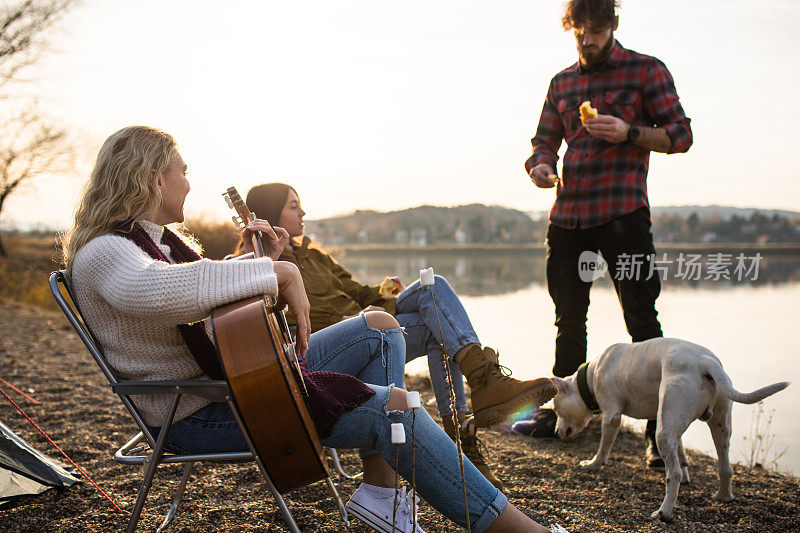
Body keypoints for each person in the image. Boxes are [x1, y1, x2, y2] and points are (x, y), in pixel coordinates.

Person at [60, 126, 564, 532]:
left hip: (234, 383)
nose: (189, 183)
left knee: (380, 328)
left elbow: (220, 315)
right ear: (151, 177)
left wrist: (268, 263)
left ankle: (382, 493)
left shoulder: (157, 244)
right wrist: (278, 272)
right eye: (182, 172)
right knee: (401, 410)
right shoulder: (107, 251)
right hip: (200, 412)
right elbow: (161, 292)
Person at [237, 182, 557, 490]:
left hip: (373, 322)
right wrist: (271, 258)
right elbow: (279, 320)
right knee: (437, 322)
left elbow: (358, 292)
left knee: (434, 290)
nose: (303, 212)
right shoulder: (262, 266)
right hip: (341, 343)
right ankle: (480, 392)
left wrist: (386, 295)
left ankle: (472, 415)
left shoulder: (316, 257)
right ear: (269, 215)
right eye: (294, 206)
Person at [513, 0, 693, 471]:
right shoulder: (563, 82)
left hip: (624, 217)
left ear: (612, 25)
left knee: (643, 325)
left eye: (595, 30)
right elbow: (542, 141)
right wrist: (541, 166)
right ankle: (561, 416)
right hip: (568, 217)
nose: (587, 40)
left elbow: (681, 135)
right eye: (579, 32)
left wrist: (630, 132)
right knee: (569, 322)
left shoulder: (645, 71)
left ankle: (660, 436)